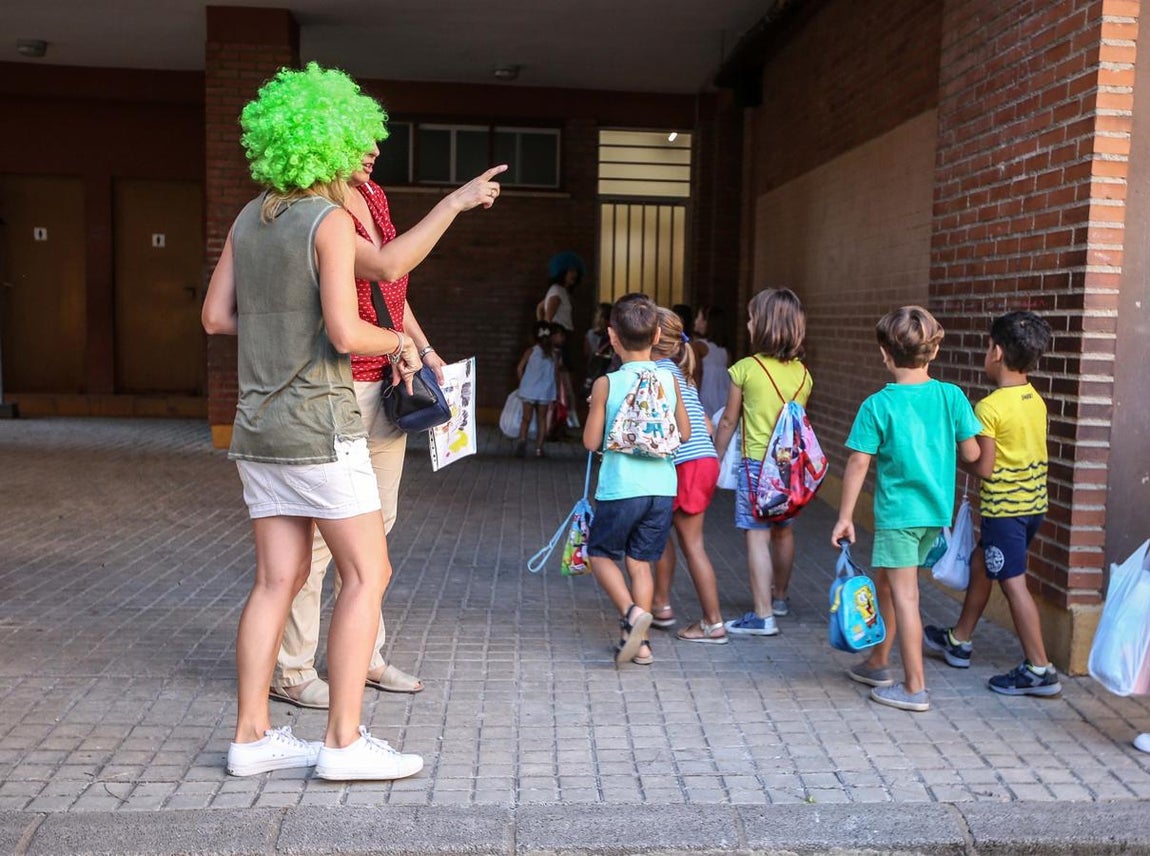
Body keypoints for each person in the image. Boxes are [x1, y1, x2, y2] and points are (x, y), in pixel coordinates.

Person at [202, 63, 427, 779]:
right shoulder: (327, 221)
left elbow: (213, 318)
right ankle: (343, 744)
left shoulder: (249, 217)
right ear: (333, 143)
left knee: (277, 579)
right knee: (369, 572)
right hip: (321, 427)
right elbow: (346, 331)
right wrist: (401, 344)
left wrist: (276, 332)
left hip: (257, 428)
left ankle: (251, 738)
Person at [270, 127, 507, 710]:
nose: (374, 149)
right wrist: (453, 202)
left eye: (377, 138)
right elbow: (379, 270)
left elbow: (392, 289)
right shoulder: (317, 213)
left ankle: (364, 657)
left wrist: (422, 349)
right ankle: (293, 670)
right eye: (359, 139)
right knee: (327, 540)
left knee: (377, 532)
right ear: (321, 142)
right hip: (337, 385)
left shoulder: (372, 198)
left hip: (388, 384)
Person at [831, 305, 982, 713]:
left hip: (899, 516)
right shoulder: (951, 396)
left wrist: (845, 516)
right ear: (932, 353)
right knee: (887, 583)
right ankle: (878, 663)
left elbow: (859, 463)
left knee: (905, 596)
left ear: (884, 352)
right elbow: (971, 451)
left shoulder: (878, 405)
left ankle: (915, 688)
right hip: (934, 515)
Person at [923, 311, 1062, 697]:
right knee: (983, 563)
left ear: (997, 352)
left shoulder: (989, 408)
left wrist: (956, 452)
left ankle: (1039, 668)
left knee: (1012, 582)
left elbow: (984, 467)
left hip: (1005, 512)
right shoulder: (1034, 399)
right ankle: (959, 640)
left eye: (988, 346)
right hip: (1033, 506)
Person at [583, 295, 690, 666]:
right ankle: (640, 645)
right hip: (662, 489)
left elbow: (591, 442)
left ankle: (630, 612)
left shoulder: (606, 384)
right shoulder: (668, 378)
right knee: (640, 562)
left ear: (611, 336)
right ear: (657, 333)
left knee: (598, 554)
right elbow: (686, 433)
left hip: (620, 488)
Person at [713, 288, 813, 635]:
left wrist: (715, 456)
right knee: (784, 532)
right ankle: (780, 598)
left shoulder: (744, 370)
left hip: (757, 467)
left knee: (756, 536)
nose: (749, 323)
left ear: (765, 326)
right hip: (789, 468)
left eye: (753, 318)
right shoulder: (804, 375)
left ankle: (762, 615)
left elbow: (728, 421)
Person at [649, 308, 727, 643]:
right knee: (663, 532)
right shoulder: (679, 372)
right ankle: (660, 604)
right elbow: (705, 424)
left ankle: (713, 622)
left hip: (687, 464)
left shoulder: (656, 373)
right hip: (703, 460)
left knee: (690, 544)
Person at [514, 320, 564, 458]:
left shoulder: (530, 351)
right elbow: (556, 374)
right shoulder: (554, 354)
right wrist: (558, 392)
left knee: (526, 418)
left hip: (528, 389)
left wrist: (522, 383)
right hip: (545, 391)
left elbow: (519, 368)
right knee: (542, 419)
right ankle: (538, 449)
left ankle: (522, 440)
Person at [694, 305, 731, 418]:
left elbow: (696, 374)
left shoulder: (698, 346)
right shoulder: (726, 351)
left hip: (705, 396)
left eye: (699, 317)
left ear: (707, 322)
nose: (696, 321)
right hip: (724, 396)